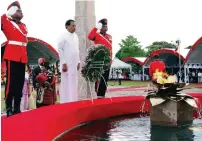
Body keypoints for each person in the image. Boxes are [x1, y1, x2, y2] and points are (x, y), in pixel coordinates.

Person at [1, 1, 28, 117]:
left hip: (22, 57)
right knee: (11, 83)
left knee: (20, 83)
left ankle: (17, 107)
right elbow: (2, 18)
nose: (21, 12)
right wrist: (9, 12)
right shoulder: (6, 22)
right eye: (18, 10)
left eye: (21, 11)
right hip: (12, 56)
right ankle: (8, 108)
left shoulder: (23, 26)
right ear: (12, 12)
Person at [88, 18, 112, 98]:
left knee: (105, 79)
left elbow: (110, 49)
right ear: (100, 27)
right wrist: (96, 28)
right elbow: (90, 36)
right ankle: (98, 95)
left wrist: (110, 59)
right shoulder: (97, 35)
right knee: (99, 79)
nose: (105, 27)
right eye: (104, 26)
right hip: (100, 60)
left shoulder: (109, 36)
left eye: (106, 26)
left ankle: (102, 95)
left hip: (107, 60)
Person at [57, 19, 80, 103]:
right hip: (66, 64)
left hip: (74, 64)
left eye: (75, 25)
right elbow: (60, 49)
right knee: (66, 84)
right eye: (72, 25)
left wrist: (78, 61)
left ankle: (73, 101)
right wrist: (63, 63)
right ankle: (65, 102)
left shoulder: (76, 36)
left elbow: (77, 50)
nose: (74, 27)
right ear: (67, 26)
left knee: (74, 83)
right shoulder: (62, 36)